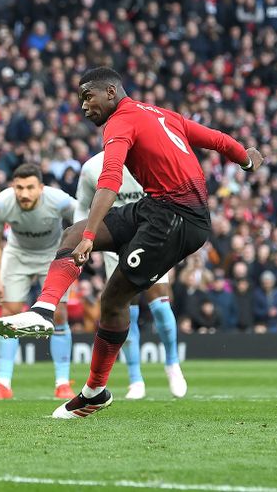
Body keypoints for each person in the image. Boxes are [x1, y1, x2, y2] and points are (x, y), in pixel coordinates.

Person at [0, 67, 263, 418]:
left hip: (178, 219)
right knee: (72, 233)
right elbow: (218, 140)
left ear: (111, 92)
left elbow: (111, 180)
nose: (84, 105)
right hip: (157, 207)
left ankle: (95, 391)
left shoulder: (119, 123)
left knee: (113, 297)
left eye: (88, 95)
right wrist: (246, 159)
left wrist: (92, 236)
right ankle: (43, 310)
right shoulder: (163, 114)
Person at [76, 151, 187, 400]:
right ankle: (135, 379)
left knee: (160, 304)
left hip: (153, 239)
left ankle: (172, 365)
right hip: (116, 244)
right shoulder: (93, 167)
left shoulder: (153, 159)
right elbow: (82, 206)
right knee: (125, 309)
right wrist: (86, 239)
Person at [0, 163, 77, 401]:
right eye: (19, 187)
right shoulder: (2, 203)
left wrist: (73, 256)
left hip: (53, 254)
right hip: (17, 254)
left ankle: (62, 383)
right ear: (12, 187)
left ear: (41, 188)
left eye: (30, 188)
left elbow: (81, 223)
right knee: (9, 314)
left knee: (59, 315)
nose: (24, 193)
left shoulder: (60, 201)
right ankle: (3, 384)